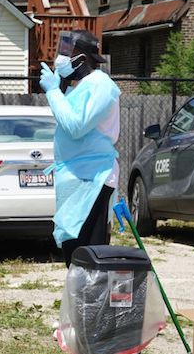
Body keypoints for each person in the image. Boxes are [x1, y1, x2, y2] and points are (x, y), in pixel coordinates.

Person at [39, 30, 121, 267]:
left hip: (93, 177)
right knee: (73, 249)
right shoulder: (82, 86)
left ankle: (92, 302)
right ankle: (80, 302)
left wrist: (54, 92)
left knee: (88, 253)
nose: (61, 58)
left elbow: (76, 125)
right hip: (78, 175)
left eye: (67, 53)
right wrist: (60, 89)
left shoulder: (101, 85)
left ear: (83, 58)